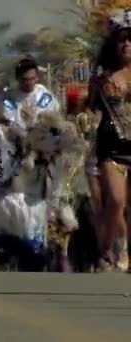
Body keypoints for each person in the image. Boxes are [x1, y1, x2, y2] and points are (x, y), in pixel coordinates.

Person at [87, 7, 131, 272]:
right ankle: (111, 249)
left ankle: (121, 250)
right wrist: (85, 117)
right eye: (122, 39)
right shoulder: (102, 79)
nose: (127, 43)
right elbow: (89, 109)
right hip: (111, 148)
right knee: (115, 200)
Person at [3, 57, 60, 130]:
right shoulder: (9, 97)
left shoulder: (44, 95)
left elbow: (54, 116)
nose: (29, 83)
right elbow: (8, 119)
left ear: (37, 77)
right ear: (17, 78)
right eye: (25, 79)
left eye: (32, 78)